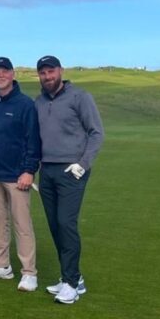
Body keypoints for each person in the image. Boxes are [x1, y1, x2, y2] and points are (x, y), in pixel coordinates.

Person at [34, 55, 104, 305]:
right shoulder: (39, 102)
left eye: (51, 71)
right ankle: (71, 277)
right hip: (47, 170)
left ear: (60, 71)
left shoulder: (79, 97)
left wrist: (83, 164)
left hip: (72, 170)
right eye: (43, 73)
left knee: (66, 223)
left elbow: (96, 133)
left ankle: (72, 284)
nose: (47, 77)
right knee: (54, 225)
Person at [0, 56, 42, 291]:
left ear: (13, 74)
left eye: (5, 71)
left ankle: (29, 272)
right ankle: (2, 265)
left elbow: (32, 141)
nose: (0, 75)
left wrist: (28, 171)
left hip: (16, 176)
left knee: (22, 224)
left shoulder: (25, 104)